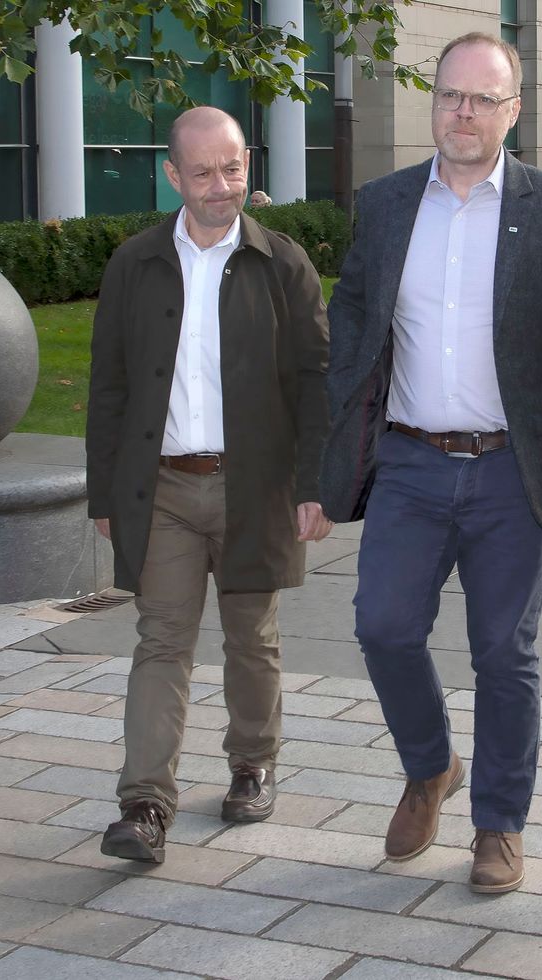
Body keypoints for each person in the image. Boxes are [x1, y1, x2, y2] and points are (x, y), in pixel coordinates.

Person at [319, 32, 542, 895]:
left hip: (512, 471)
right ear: (433, 103)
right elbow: (351, 337)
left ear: (514, 111)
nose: (462, 112)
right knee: (383, 626)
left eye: (483, 98)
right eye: (449, 96)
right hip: (410, 461)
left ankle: (500, 824)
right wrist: (318, 473)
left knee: (503, 653)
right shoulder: (386, 203)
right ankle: (431, 765)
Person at [87, 106, 332, 865]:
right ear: (172, 176)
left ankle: (252, 763)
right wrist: (104, 496)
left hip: (253, 486)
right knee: (161, 639)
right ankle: (144, 804)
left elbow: (317, 382)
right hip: (161, 488)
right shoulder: (134, 263)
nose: (221, 185)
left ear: (247, 165)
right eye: (203, 172)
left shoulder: (282, 262)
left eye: (233, 168)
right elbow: (111, 387)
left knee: (249, 636)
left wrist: (315, 485)